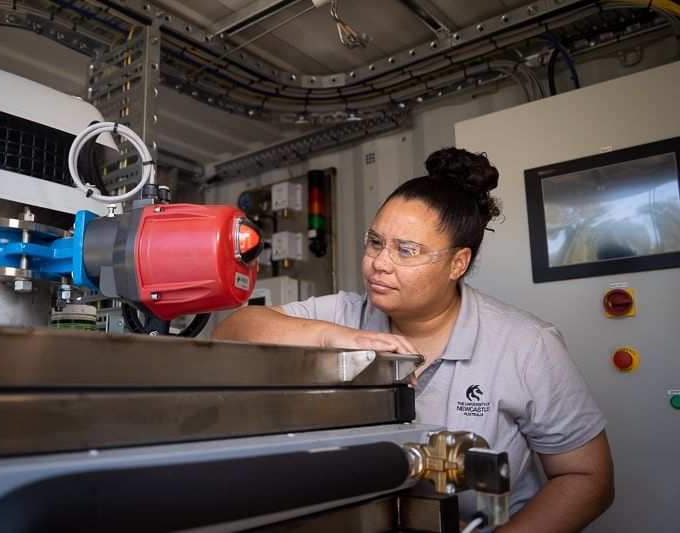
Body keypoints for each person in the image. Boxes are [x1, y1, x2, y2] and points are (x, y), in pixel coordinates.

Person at [212, 147, 614, 531]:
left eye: (406, 250)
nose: (379, 264)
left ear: (458, 263)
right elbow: (231, 331)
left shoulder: (526, 346)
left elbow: (587, 477)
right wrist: (336, 337)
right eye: (375, 242)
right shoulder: (345, 314)